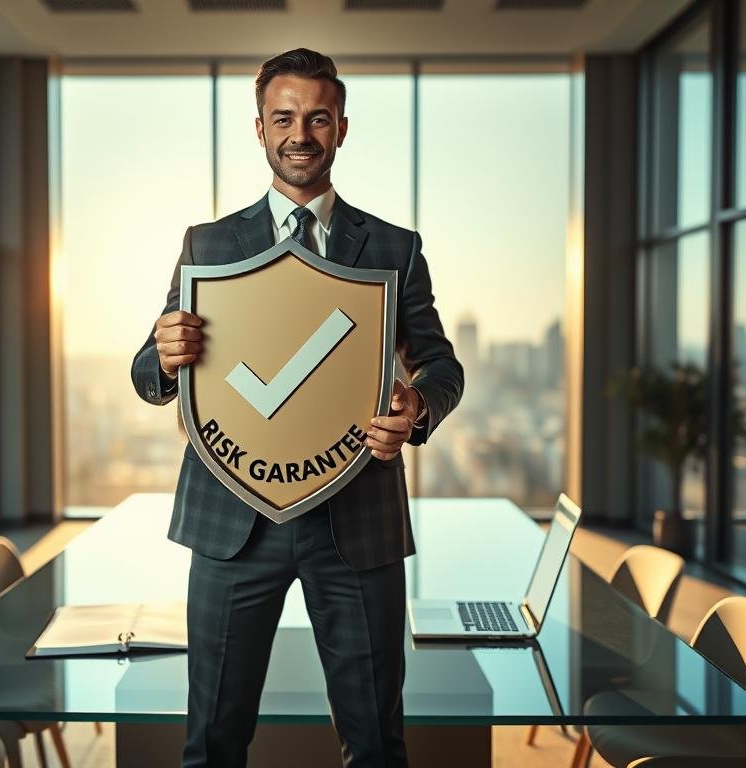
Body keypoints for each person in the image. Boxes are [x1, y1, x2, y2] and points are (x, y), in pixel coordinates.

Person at [132, 48, 464, 768]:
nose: (300, 134)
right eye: (284, 118)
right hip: (231, 523)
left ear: (342, 128)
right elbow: (148, 370)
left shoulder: (395, 249)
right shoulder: (208, 243)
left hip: (358, 523)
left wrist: (416, 407)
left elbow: (442, 367)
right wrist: (162, 355)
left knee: (377, 742)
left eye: (317, 118)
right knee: (212, 741)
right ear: (259, 128)